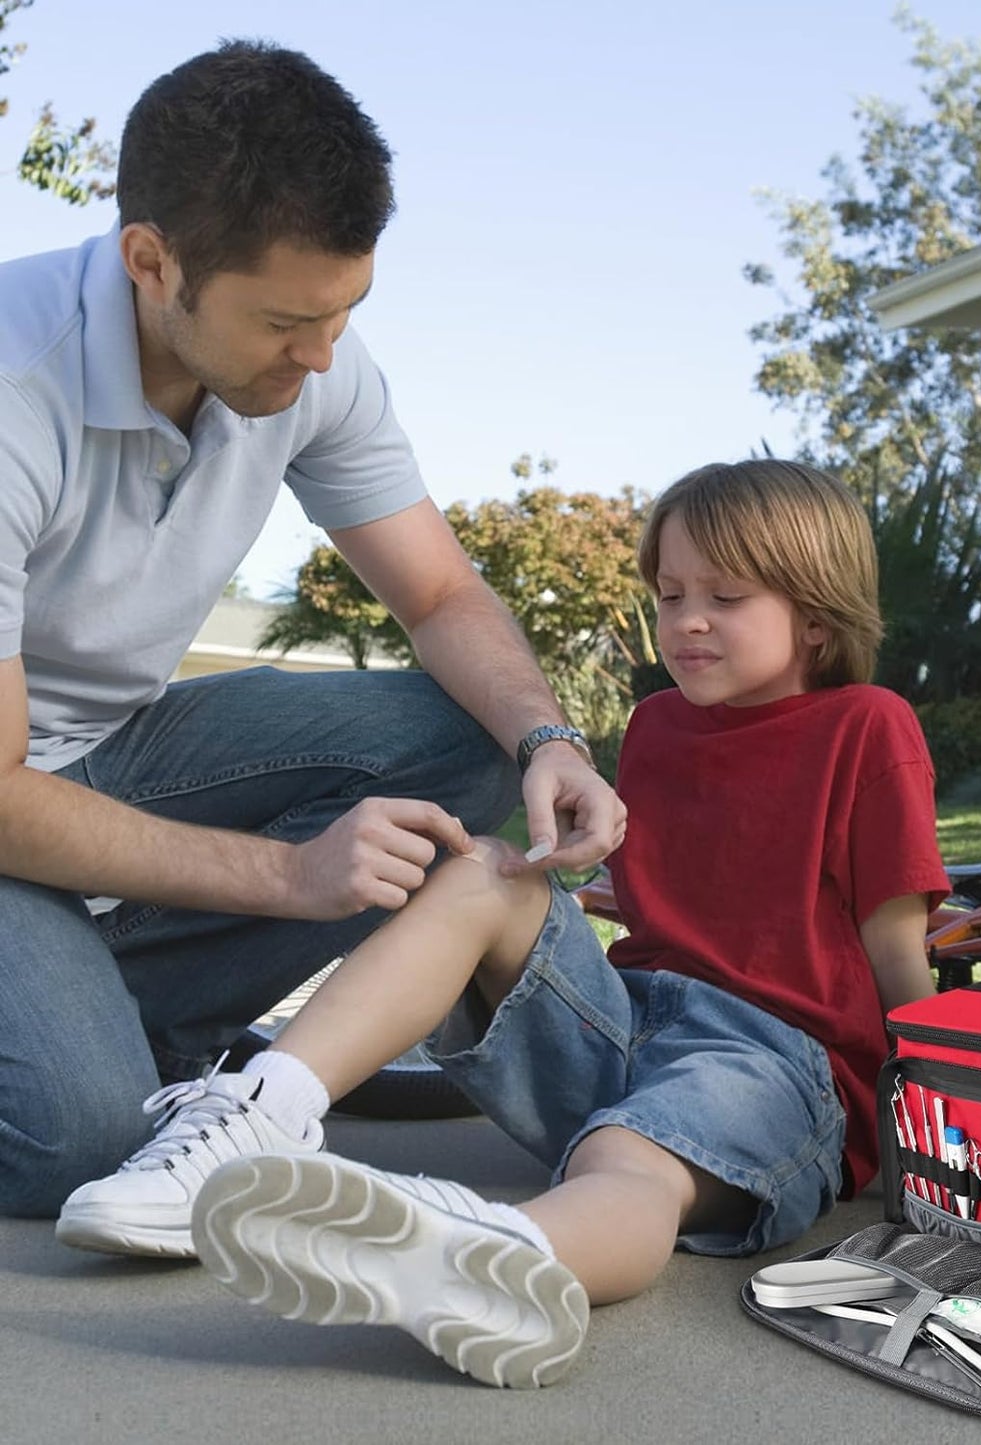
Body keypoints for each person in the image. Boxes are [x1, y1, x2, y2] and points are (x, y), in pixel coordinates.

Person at [58, 458, 951, 1389]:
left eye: (725, 596)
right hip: (628, 1024)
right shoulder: (653, 728)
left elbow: (896, 952)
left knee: (627, 1160)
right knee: (481, 866)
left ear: (814, 614)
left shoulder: (868, 725)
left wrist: (927, 1141)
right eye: (671, 591)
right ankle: (261, 1111)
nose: (686, 618)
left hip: (778, 1062)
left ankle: (501, 1256)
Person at [0, 40, 624, 1221]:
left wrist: (551, 739)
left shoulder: (313, 359)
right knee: (69, 1138)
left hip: (116, 752)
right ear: (151, 261)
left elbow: (441, 598)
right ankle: (86, 1061)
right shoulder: (11, 385)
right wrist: (288, 874)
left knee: (471, 733)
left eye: (347, 310)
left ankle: (132, 1037)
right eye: (288, 320)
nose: (324, 354)